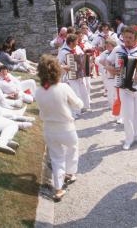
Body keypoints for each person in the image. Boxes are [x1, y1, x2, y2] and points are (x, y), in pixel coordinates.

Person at [35, 55, 83, 201]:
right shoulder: (63, 87)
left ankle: (58, 188)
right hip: (66, 127)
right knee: (73, 148)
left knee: (56, 158)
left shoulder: (38, 91)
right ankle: (70, 172)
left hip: (49, 129)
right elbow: (78, 104)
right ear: (57, 70)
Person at [106, 26, 137, 150]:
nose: (127, 40)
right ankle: (129, 139)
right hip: (124, 88)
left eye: (130, 38)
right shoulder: (118, 49)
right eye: (125, 37)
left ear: (136, 38)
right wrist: (111, 69)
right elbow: (107, 62)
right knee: (128, 115)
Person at [57, 34, 90, 116]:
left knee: (83, 91)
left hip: (80, 74)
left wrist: (87, 63)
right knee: (75, 92)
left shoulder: (77, 48)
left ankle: (83, 107)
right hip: (70, 76)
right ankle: (75, 112)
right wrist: (65, 67)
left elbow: (83, 57)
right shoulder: (63, 52)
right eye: (76, 42)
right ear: (71, 43)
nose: (77, 43)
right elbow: (57, 64)